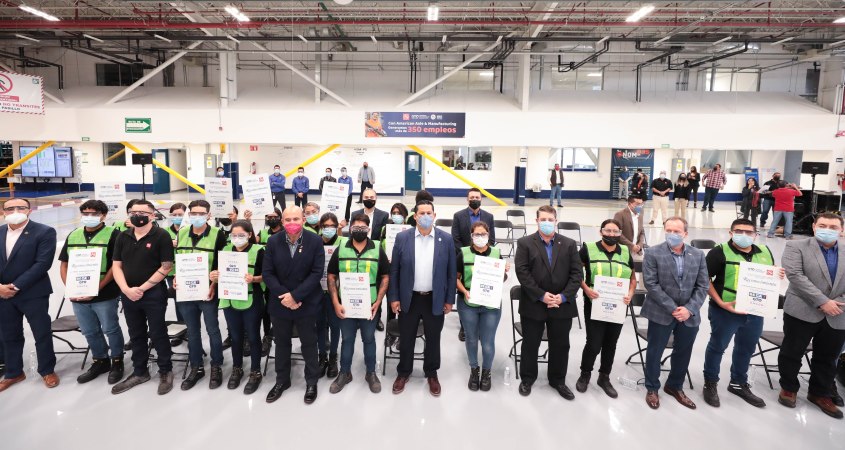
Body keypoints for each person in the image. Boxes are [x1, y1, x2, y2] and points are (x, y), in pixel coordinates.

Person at [702, 218, 781, 409]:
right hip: (725, 310)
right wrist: (720, 302)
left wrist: (777, 275)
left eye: (748, 232)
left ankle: (738, 383)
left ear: (755, 235)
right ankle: (710, 382)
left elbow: (769, 275)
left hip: (755, 310)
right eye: (739, 231)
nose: (744, 235)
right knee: (718, 346)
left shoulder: (765, 251)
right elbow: (704, 279)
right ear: (731, 233)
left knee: (746, 348)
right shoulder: (718, 252)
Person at [778, 213, 845, 419]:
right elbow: (795, 276)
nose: (827, 230)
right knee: (792, 352)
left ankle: (820, 393)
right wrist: (823, 302)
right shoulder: (796, 246)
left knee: (828, 357)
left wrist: (836, 302)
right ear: (814, 227)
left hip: (839, 312)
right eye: (823, 225)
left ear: (842, 230)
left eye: (833, 227)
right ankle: (788, 387)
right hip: (802, 309)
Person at [514, 205, 583, 399]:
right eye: (543, 219)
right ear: (536, 221)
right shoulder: (525, 243)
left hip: (562, 304)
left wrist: (563, 297)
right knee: (530, 343)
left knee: (561, 345)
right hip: (534, 303)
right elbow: (522, 272)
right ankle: (527, 378)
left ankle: (558, 380)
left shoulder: (569, 244)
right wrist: (541, 295)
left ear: (556, 221)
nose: (546, 222)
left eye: (550, 219)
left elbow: (577, 274)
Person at [389, 200, 457, 397]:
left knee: (433, 338)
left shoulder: (446, 239)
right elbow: (395, 271)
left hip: (434, 298)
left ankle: (432, 373)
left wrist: (449, 300)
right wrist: (394, 297)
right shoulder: (403, 238)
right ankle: (403, 372)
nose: (426, 216)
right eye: (422, 213)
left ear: (434, 216)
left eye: (429, 213)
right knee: (406, 337)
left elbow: (451, 273)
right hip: (409, 298)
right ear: (415, 216)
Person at [641, 217, 709, 409]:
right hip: (661, 312)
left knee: (683, 352)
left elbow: (703, 285)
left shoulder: (698, 254)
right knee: (655, 351)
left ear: (685, 233)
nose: (672, 234)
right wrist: (673, 308)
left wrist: (689, 309)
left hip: (689, 314)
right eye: (668, 230)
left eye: (677, 231)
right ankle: (652, 388)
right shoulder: (652, 253)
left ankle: (675, 386)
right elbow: (651, 284)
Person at [111, 199, 175, 395]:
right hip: (128, 294)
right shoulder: (123, 236)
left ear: (152, 216)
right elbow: (116, 265)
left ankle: (165, 370)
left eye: (142, 213)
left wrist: (142, 288)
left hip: (153, 293)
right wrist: (126, 289)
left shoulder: (161, 235)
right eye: (133, 212)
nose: (137, 216)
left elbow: (166, 266)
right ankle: (140, 371)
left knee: (158, 332)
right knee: (136, 333)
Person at [262, 206, 325, 405]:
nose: (292, 223)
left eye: (295, 219)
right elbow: (267, 273)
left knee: (309, 343)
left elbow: (316, 273)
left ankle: (311, 381)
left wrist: (296, 296)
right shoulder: (273, 241)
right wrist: (286, 297)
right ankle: (282, 380)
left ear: (303, 219)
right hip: (280, 302)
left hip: (305, 302)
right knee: (281, 343)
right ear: (282, 221)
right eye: (287, 219)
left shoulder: (315, 241)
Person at [58, 200, 124, 385]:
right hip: (78, 293)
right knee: (89, 330)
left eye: (94, 214)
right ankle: (100, 360)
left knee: (110, 328)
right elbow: (64, 264)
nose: (89, 217)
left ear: (103, 215)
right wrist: (70, 287)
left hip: (105, 293)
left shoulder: (114, 235)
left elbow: (116, 266)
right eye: (85, 213)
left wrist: (98, 287)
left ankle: (117, 361)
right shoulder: (74, 234)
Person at [327, 214, 390, 394]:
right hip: (345, 306)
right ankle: (344, 373)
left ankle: (371, 373)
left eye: (363, 228)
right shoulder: (341, 249)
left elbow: (385, 276)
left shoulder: (377, 249)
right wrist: (335, 302)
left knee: (369, 339)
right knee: (347, 339)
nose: (359, 231)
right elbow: (331, 276)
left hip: (370, 306)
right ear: (350, 229)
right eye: (356, 228)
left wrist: (378, 301)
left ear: (368, 230)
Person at [0, 198, 58, 392]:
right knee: (9, 334)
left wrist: (15, 286)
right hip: (2, 294)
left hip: (33, 292)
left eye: (21, 207)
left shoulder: (44, 232)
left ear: (29, 210)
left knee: (41, 332)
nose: (15, 211)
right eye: (10, 208)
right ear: (3, 212)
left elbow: (42, 264)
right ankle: (14, 372)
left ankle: (47, 370)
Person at [575, 219, 636, 398]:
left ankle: (604, 377)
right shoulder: (588, 249)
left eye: (615, 231)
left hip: (619, 305)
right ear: (601, 232)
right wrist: (586, 289)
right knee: (593, 343)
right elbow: (576, 273)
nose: (611, 234)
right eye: (608, 231)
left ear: (620, 234)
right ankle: (585, 374)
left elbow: (633, 278)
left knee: (611, 343)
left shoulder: (625, 251)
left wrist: (630, 294)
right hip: (594, 303)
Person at [175, 200, 227, 391]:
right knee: (192, 331)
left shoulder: (217, 234)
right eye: (194, 213)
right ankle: (196, 367)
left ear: (209, 215)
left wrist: (214, 285)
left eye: (201, 213)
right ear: (189, 215)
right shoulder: (182, 233)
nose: (197, 216)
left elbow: (221, 263)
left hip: (208, 291)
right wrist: (176, 277)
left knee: (212, 329)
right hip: (186, 292)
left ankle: (216, 365)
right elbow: (178, 260)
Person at [212, 220, 265, 395]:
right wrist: (214, 276)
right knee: (235, 337)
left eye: (241, 235)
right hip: (230, 299)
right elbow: (216, 272)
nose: (237, 238)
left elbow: (267, 275)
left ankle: (255, 371)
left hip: (252, 299)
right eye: (233, 235)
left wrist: (254, 279)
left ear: (249, 235)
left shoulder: (259, 251)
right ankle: (237, 368)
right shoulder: (226, 251)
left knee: (253, 336)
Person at [456, 221, 509, 391]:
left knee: (487, 341)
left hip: (490, 304)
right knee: (471, 338)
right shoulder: (463, 253)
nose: (480, 237)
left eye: (483, 234)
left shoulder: (496, 253)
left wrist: (504, 272)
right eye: (476, 234)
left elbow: (502, 279)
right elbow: (455, 278)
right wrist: (464, 291)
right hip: (468, 302)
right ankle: (474, 370)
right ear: (471, 236)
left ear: (488, 235)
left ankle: (486, 372)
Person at [450, 187, 496, 342]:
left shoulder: (489, 216)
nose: (474, 199)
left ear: (481, 199)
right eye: (472, 197)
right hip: (465, 259)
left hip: (484, 259)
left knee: (482, 288)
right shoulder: (458, 216)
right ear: (467, 199)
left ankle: (480, 323)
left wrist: (483, 254)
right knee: (465, 290)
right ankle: (464, 326)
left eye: (477, 197)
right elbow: (455, 239)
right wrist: (467, 254)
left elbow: (492, 239)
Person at [317, 213, 342, 380]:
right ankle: (322, 357)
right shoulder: (314, 242)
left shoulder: (343, 243)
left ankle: (333, 357)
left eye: (332, 226)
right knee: (320, 325)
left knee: (335, 325)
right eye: (326, 226)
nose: (329, 229)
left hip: (336, 293)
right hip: (317, 292)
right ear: (321, 227)